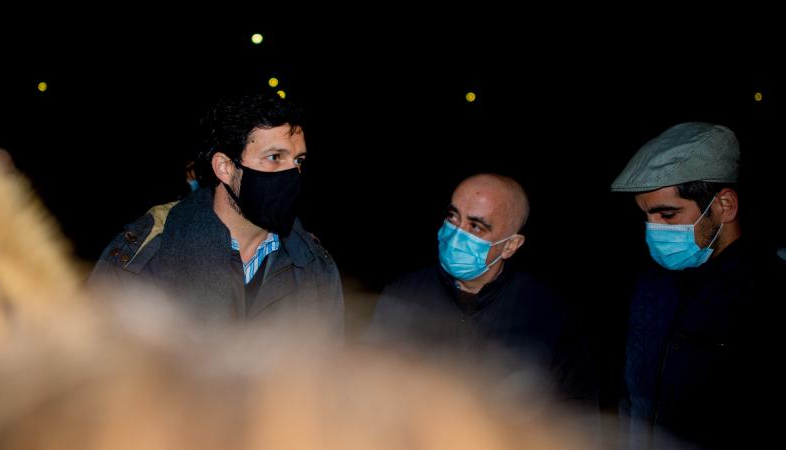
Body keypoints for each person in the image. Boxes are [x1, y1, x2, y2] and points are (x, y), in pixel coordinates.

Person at [90, 91, 344, 332]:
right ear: (225, 168)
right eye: (275, 157)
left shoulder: (315, 267)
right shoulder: (143, 255)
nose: (293, 173)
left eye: (298, 160)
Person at [611, 122, 785, 449]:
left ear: (724, 206)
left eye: (668, 214)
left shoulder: (767, 292)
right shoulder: (651, 282)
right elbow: (629, 392)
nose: (653, 229)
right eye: (646, 216)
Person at [366, 173, 597, 411]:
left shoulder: (548, 315)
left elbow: (577, 414)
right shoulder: (404, 294)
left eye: (475, 226)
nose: (456, 234)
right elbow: (367, 387)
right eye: (453, 217)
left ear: (510, 245)